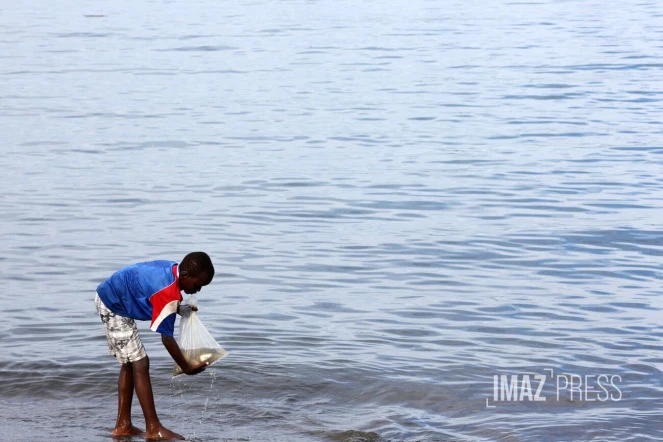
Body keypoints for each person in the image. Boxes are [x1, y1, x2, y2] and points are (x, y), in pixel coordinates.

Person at [95, 251, 215, 440]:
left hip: (118, 297)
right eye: (198, 285)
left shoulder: (173, 271)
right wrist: (187, 368)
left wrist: (178, 309)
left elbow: (155, 296)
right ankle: (153, 428)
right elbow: (166, 339)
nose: (198, 290)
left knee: (130, 362)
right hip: (113, 303)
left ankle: (123, 425)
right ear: (185, 276)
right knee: (140, 363)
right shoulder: (168, 292)